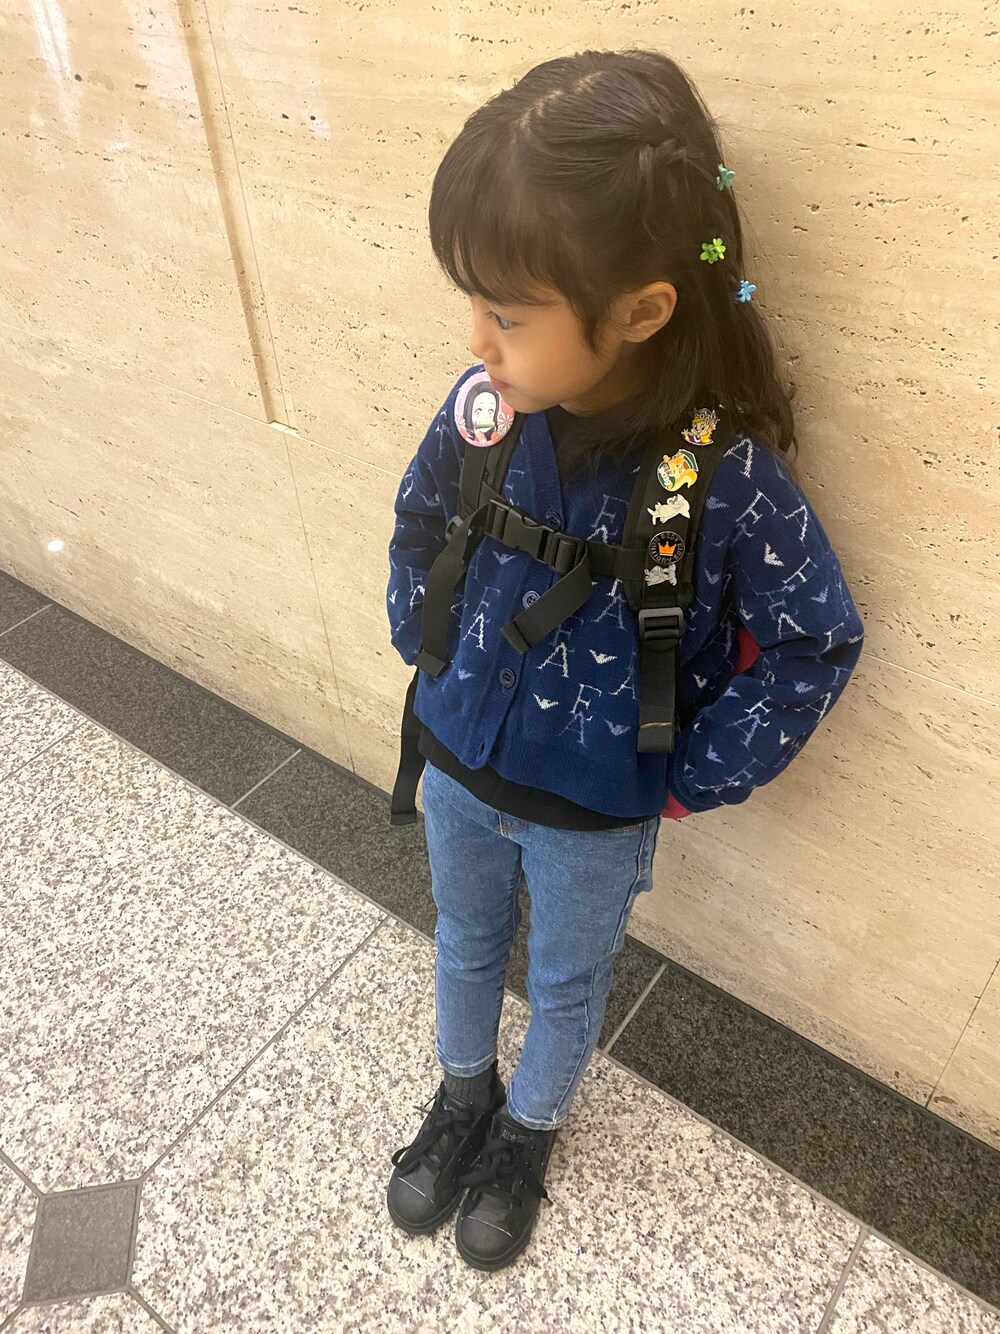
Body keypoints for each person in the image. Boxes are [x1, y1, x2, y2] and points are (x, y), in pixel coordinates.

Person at [384, 48, 864, 1272]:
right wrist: (422, 643)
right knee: (462, 936)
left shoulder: (725, 475)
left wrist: (687, 771)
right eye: (474, 304)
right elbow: (422, 514)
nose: (476, 340)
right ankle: (461, 1093)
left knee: (565, 978)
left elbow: (814, 639)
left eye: (506, 313)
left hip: (596, 813)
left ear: (640, 310)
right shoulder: (486, 412)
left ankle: (524, 1135)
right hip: (457, 761)